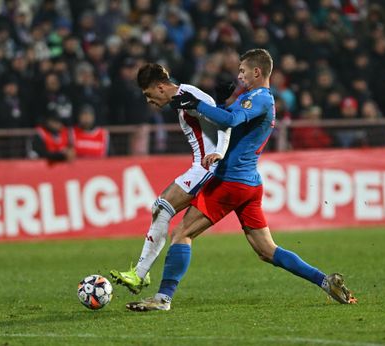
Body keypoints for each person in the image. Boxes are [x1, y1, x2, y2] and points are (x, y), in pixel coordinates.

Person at [125, 49, 357, 312]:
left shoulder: (261, 98)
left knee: (181, 234)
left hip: (230, 181)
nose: (240, 75)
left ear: (257, 72)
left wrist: (198, 104)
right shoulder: (250, 97)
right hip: (249, 184)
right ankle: (325, 281)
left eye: (243, 71)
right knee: (267, 250)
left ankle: (162, 299)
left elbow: (233, 120)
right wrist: (221, 104)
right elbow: (227, 121)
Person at [110, 63, 232, 293]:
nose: (148, 101)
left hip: (207, 167)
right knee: (263, 246)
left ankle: (140, 274)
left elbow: (225, 122)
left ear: (160, 87)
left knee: (162, 207)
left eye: (148, 94)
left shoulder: (189, 96)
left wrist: (220, 153)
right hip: (204, 166)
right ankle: (140, 274)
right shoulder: (182, 99)